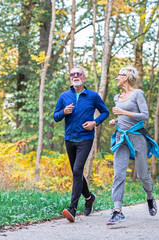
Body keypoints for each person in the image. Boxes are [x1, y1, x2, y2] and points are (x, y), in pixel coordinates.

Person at [106, 66, 159, 225]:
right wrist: (115, 121)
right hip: (121, 138)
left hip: (137, 137)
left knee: (142, 175)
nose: (116, 78)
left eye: (118, 75)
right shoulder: (116, 97)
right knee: (118, 174)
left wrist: (123, 113)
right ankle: (117, 210)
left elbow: (145, 116)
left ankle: (150, 197)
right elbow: (122, 118)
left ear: (125, 77)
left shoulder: (137, 94)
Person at [53, 65, 109, 222]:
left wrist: (94, 123)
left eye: (79, 74)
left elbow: (105, 112)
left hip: (85, 138)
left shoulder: (93, 96)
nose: (75, 76)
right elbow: (55, 116)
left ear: (84, 78)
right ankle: (89, 197)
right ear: (70, 78)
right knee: (76, 172)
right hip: (69, 138)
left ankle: (72, 208)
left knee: (77, 170)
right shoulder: (64, 96)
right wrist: (63, 112)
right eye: (72, 74)